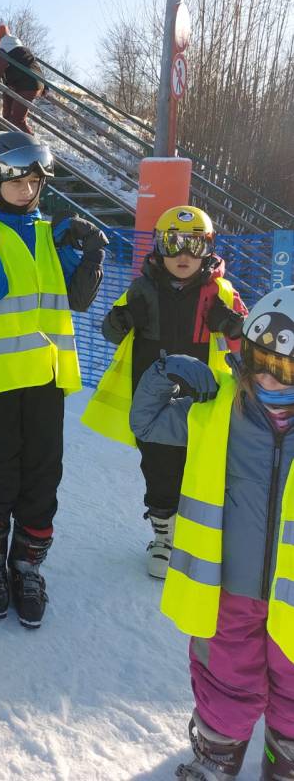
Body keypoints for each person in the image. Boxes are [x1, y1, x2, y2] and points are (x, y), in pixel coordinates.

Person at [129, 285, 294, 780]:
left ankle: (285, 760)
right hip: (230, 585)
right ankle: (217, 753)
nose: (267, 377)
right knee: (226, 674)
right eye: (260, 360)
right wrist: (164, 372)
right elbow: (147, 422)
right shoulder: (221, 410)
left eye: (285, 368)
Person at [0, 131, 107, 627]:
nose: (26, 190)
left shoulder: (48, 235)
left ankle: (26, 567)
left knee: (43, 476)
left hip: (46, 376)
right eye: (16, 181)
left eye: (34, 182)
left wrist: (89, 255)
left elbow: (77, 299)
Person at [81, 206, 247, 578]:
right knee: (159, 468)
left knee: (200, 469)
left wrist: (231, 324)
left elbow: (248, 344)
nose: (183, 255)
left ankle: (195, 537)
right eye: (173, 244)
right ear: (159, 246)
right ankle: (164, 535)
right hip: (152, 399)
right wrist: (124, 318)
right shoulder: (142, 288)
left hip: (203, 400)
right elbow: (109, 331)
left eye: (194, 245)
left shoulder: (221, 291)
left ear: (208, 248)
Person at [0, 24, 46, 135]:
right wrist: (45, 85)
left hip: (27, 83)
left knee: (17, 121)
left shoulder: (4, 46)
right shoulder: (18, 46)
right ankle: (12, 137)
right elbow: (32, 64)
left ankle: (30, 143)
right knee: (9, 115)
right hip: (32, 80)